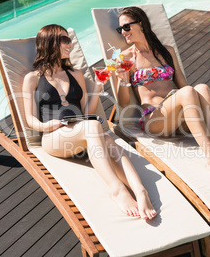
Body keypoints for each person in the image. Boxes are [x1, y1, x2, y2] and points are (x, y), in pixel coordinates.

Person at [22, 24, 156, 220]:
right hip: (53, 137)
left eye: (69, 40)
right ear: (50, 43)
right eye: (65, 41)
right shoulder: (32, 78)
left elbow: (87, 112)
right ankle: (117, 189)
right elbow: (30, 119)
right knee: (95, 128)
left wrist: (99, 85)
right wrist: (47, 126)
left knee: (110, 143)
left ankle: (141, 191)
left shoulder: (76, 74)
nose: (70, 45)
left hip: (81, 132)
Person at [114, 7, 210, 184]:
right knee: (188, 92)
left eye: (126, 27)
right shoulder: (126, 58)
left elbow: (183, 85)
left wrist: (198, 105)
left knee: (202, 88)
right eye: (120, 29)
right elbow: (123, 103)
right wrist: (122, 80)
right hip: (155, 119)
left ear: (141, 24)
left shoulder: (166, 51)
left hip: (179, 116)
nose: (123, 33)